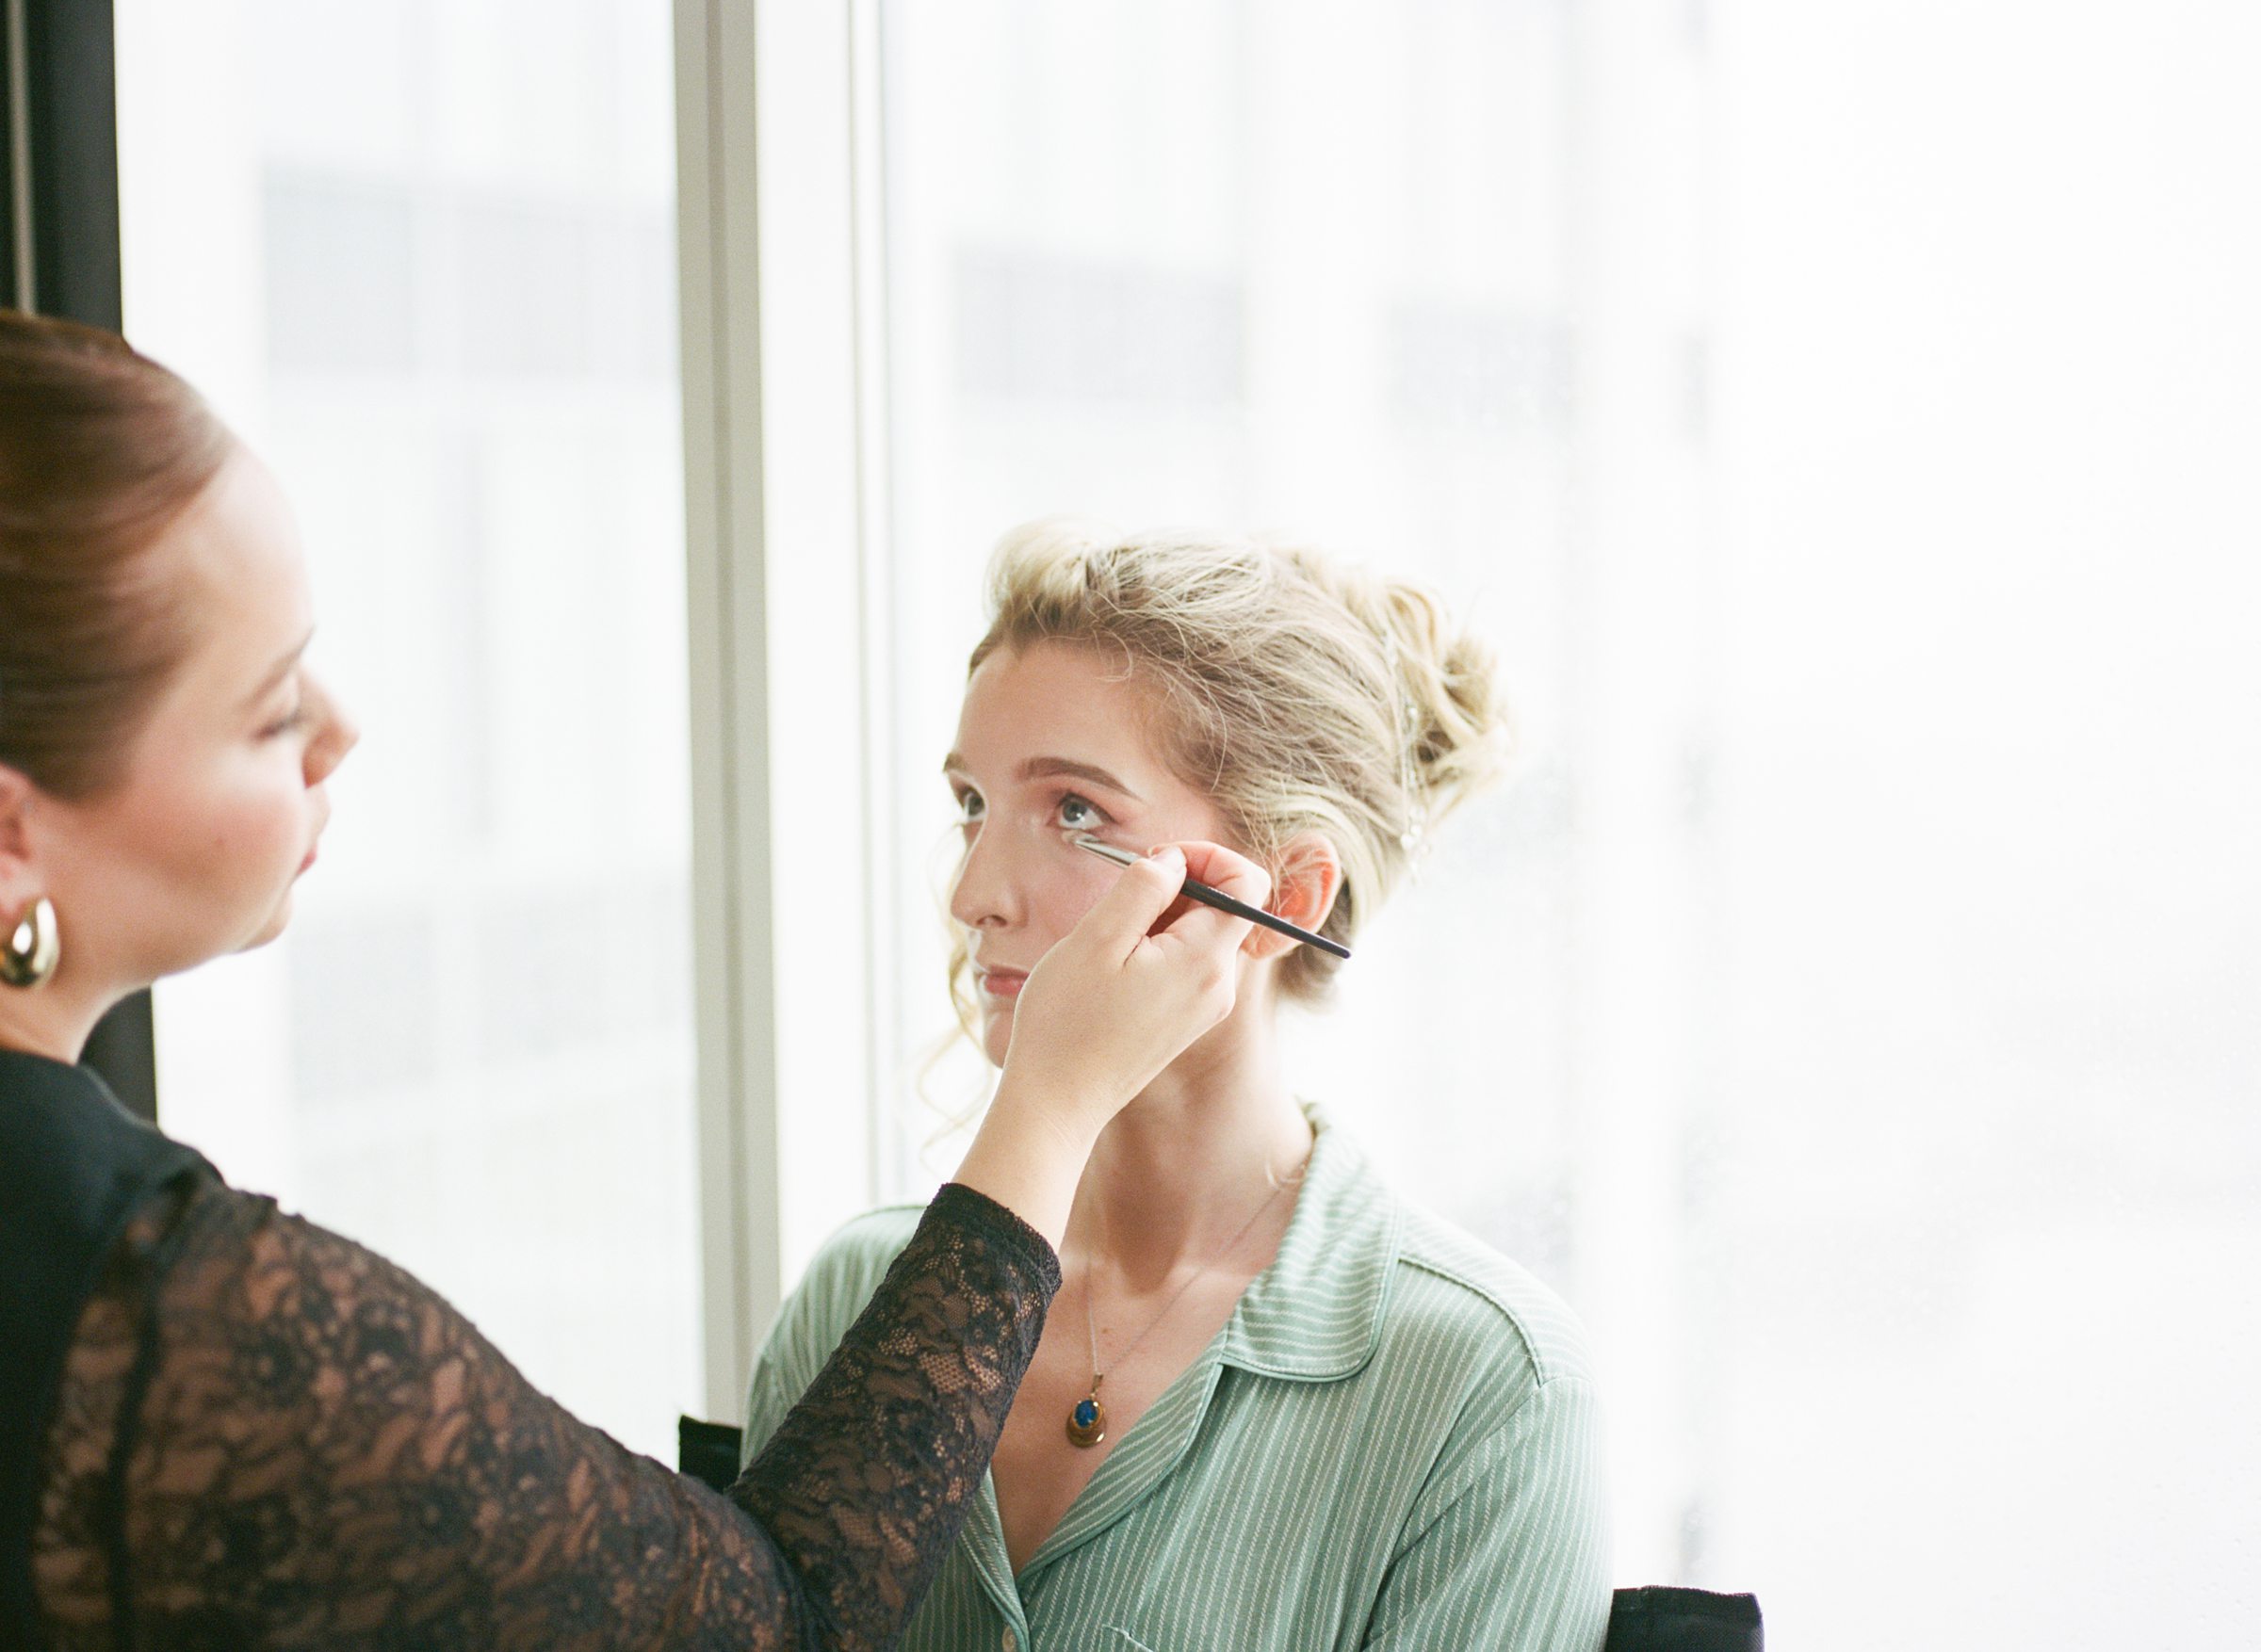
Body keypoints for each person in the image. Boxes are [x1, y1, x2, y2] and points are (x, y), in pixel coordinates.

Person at [0, 310, 1270, 1651]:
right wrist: (1050, 1103)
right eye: (267, 710)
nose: (342, 728)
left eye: (1075, 811)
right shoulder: (190, 1329)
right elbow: (777, 1623)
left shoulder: (1484, 1383)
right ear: (14, 826)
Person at [741, 519, 1614, 1650]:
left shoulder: (1485, 1388)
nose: (974, 892)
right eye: (971, 803)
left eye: (1074, 810)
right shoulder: (860, 1298)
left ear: (1285, 898)